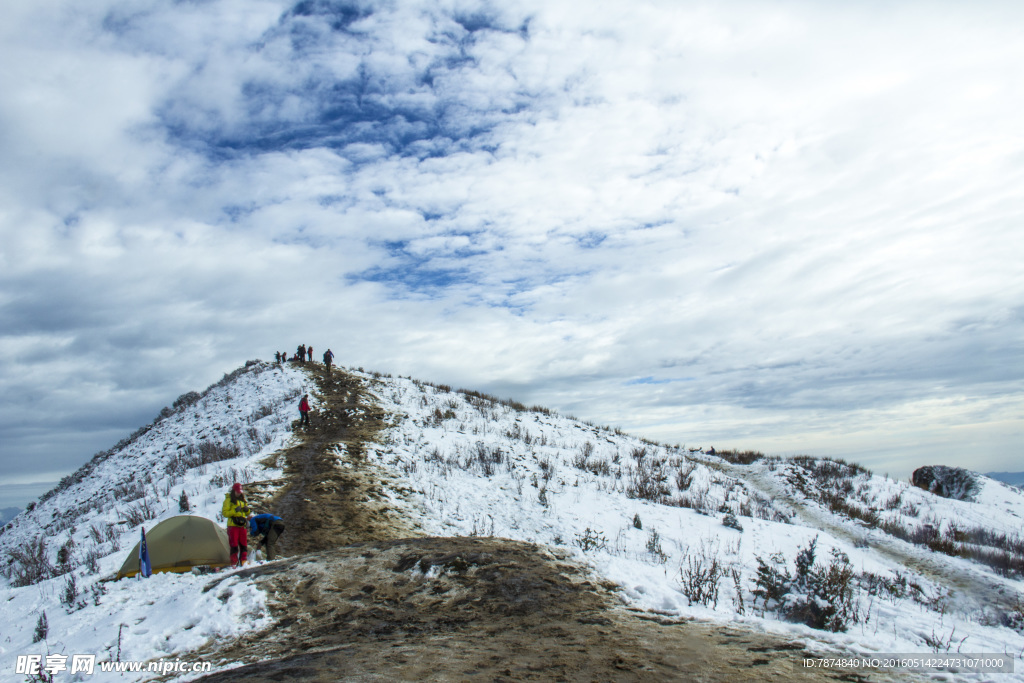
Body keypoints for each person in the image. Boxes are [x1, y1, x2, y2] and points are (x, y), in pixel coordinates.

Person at [222, 483, 251, 567]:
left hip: (242, 525)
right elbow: (225, 513)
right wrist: (235, 511)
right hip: (233, 525)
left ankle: (243, 561)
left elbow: (247, 513)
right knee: (234, 543)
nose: (239, 493)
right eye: (237, 491)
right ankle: (234, 562)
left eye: (240, 491)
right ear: (234, 490)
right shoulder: (228, 500)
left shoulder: (243, 500)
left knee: (243, 543)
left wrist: (247, 510)